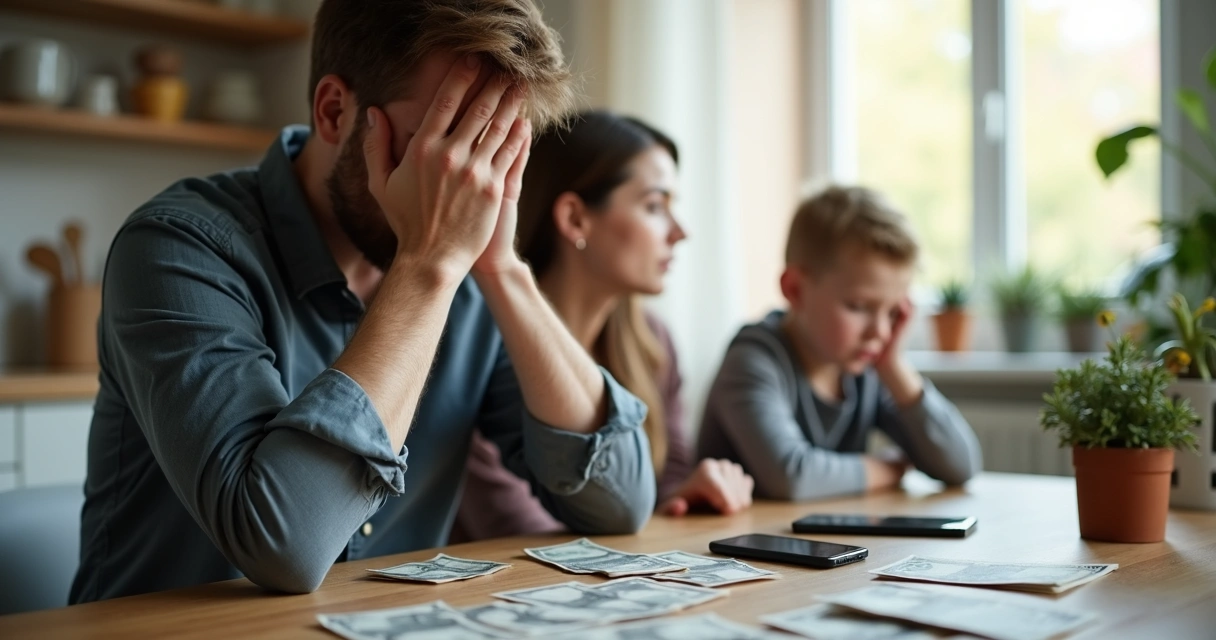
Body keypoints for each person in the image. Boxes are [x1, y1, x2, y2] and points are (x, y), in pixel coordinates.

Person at [70, 0, 658, 604]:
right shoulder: (180, 247)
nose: (472, 182)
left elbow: (619, 500)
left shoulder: (469, 269)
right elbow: (284, 545)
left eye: (497, 148)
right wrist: (428, 266)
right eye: (448, 140)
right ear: (334, 111)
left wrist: (503, 268)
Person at [451, 112, 754, 542]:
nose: (680, 232)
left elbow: (669, 487)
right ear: (575, 218)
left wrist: (695, 495)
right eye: (654, 206)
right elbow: (513, 528)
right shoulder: (482, 340)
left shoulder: (653, 342)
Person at [697, 185, 982, 501]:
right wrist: (887, 469)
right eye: (860, 307)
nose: (880, 332)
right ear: (795, 290)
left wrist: (893, 366)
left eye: (892, 312)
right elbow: (792, 476)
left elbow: (961, 465)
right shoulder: (753, 360)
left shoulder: (867, 368)